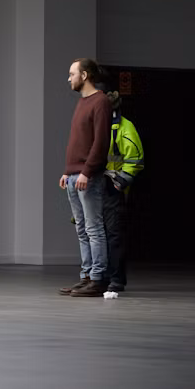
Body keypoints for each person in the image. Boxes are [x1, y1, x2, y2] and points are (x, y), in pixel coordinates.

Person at [59, 58, 112, 298]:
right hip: (74, 175)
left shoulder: (100, 101)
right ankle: (87, 276)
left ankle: (99, 279)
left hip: (87, 176)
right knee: (82, 229)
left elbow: (100, 143)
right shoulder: (82, 103)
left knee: (93, 228)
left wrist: (86, 171)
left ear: (85, 75)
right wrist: (68, 171)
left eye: (72, 74)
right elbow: (80, 141)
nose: (69, 78)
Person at [102, 89, 144, 295]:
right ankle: (97, 278)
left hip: (111, 186)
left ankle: (115, 280)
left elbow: (135, 159)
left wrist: (120, 181)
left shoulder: (123, 127)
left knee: (113, 234)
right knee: (94, 234)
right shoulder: (95, 124)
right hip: (92, 186)